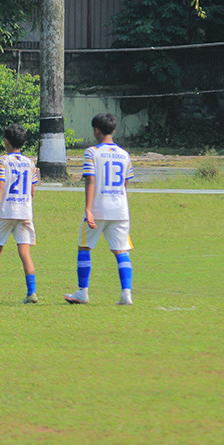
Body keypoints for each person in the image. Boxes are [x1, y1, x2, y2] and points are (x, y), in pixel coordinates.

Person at [66, 112, 135, 306]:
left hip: (98, 208)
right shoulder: (124, 154)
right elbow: (125, 183)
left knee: (84, 247)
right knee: (121, 251)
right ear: (113, 129)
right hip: (120, 209)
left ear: (96, 130)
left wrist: (88, 209)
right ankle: (126, 294)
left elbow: (91, 180)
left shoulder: (92, 152)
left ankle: (83, 292)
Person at [0, 124, 40, 303]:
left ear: (6, 142)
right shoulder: (30, 163)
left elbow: (0, 186)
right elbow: (32, 190)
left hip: (6, 211)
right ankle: (32, 293)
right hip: (24, 211)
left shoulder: (3, 161)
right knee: (25, 252)